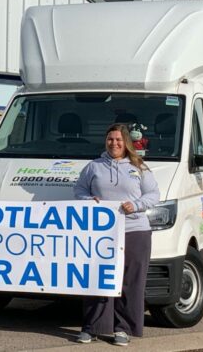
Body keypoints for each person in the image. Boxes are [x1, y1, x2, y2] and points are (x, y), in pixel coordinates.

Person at [73, 123, 160, 347]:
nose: (114, 143)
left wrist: (137, 205)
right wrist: (87, 201)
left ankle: (123, 329)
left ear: (126, 143)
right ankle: (92, 327)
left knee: (130, 282)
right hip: (102, 233)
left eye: (119, 140)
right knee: (98, 278)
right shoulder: (94, 166)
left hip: (135, 230)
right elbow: (80, 190)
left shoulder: (139, 166)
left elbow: (154, 194)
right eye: (110, 139)